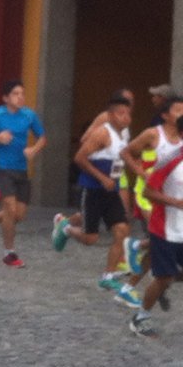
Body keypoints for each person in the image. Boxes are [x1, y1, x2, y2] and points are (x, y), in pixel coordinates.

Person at [51, 96, 136, 303]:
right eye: (121, 113)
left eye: (128, 114)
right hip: (93, 190)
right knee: (91, 238)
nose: (126, 118)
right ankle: (66, 228)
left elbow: (124, 158)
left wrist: (141, 173)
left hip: (111, 191)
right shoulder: (101, 133)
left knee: (122, 230)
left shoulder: (123, 134)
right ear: (111, 115)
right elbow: (79, 157)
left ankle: (108, 274)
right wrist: (102, 177)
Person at [0, 80, 46, 267]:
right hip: (1, 168)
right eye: (15, 94)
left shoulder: (29, 115)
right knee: (9, 207)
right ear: (6, 98)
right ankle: (9, 253)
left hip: (21, 169)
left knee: (18, 215)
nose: (20, 97)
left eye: (22, 93)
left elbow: (43, 137)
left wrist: (34, 150)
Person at [129, 115, 183, 338]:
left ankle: (162, 276)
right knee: (163, 278)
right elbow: (147, 192)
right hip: (166, 229)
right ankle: (140, 316)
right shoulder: (170, 160)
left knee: (169, 276)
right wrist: (177, 203)